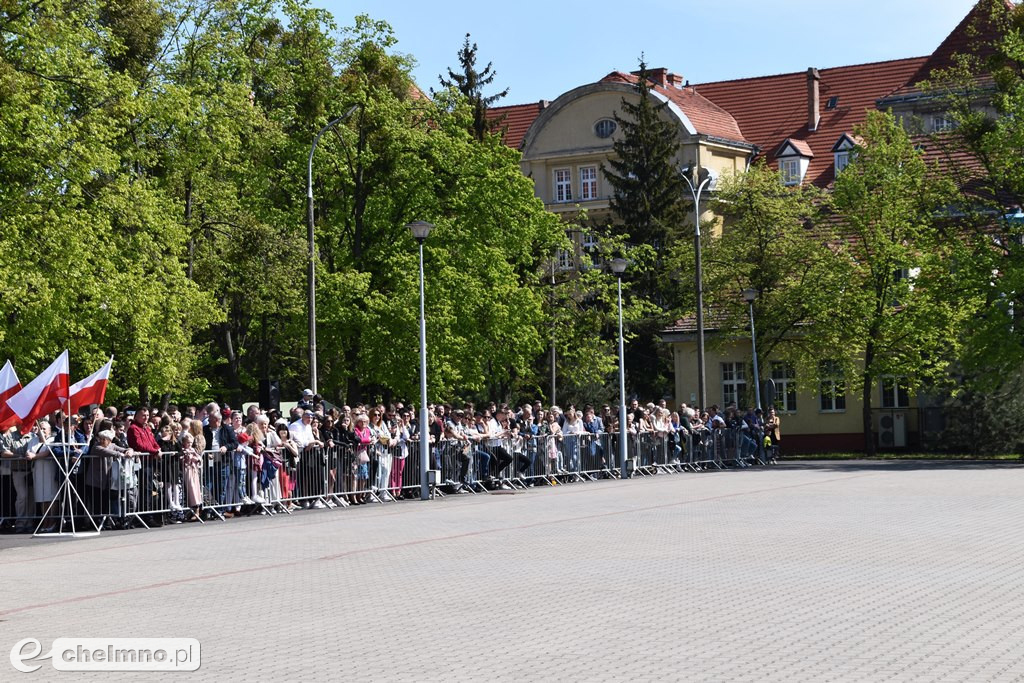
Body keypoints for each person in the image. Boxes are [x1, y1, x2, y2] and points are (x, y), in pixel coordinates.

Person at [180, 432, 203, 521]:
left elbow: (199, 458)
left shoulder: (193, 450)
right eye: (188, 442)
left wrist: (195, 458)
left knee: (195, 489)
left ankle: (197, 509)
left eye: (190, 442)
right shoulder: (183, 450)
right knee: (189, 489)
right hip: (186, 470)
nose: (189, 444)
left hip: (193, 471)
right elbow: (182, 459)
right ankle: (190, 509)